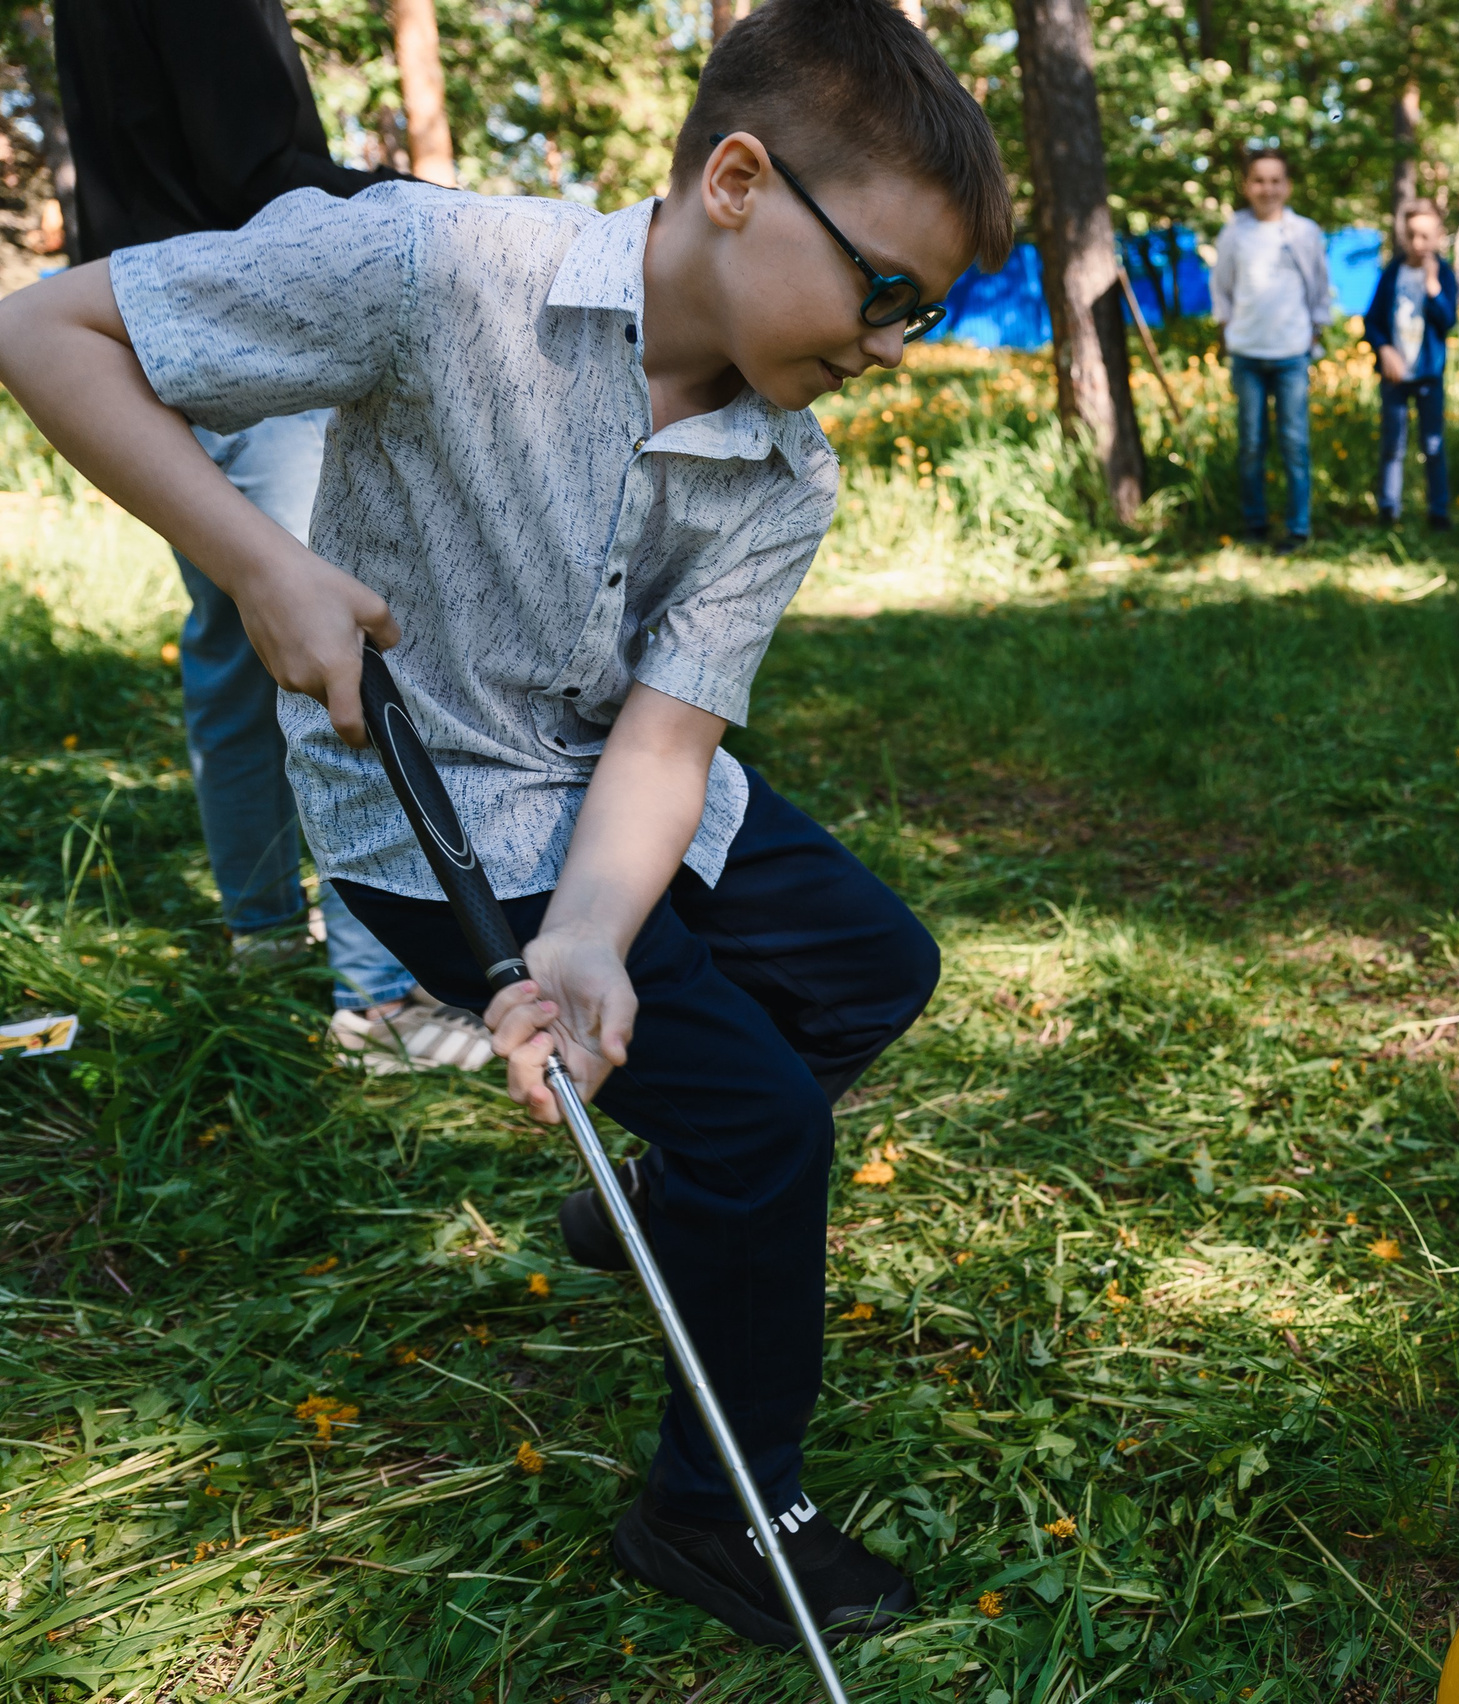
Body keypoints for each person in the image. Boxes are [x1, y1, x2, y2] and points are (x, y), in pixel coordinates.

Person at [0, 0, 1009, 1646]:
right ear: (738, 180)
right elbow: (51, 333)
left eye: (925, 312)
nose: (893, 345)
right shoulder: (431, 265)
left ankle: (681, 1207)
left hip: (609, 790)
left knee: (873, 966)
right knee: (766, 1124)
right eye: (882, 292)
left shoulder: (788, 466)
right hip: (438, 810)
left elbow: (670, 732)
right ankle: (717, 1505)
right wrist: (263, 566)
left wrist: (596, 937)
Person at [50, 0, 490, 1072]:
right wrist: (474, 217)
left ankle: (260, 934)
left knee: (231, 656)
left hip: (151, 347)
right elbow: (266, 176)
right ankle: (380, 999)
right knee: (333, 658)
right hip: (249, 333)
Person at [1212, 149, 1333, 552]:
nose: (1268, 188)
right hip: (1247, 354)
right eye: (1259, 180)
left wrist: (1313, 336)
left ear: (1288, 186)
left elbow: (1319, 288)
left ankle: (1298, 527)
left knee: (1294, 442)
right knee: (1251, 445)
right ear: (1247, 187)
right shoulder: (1234, 233)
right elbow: (1222, 290)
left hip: (1291, 355)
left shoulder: (1305, 232)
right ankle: (1255, 523)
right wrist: (1229, 332)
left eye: (1275, 180)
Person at [1363, 199, 1459, 529]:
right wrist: (1384, 349)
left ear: (1438, 236)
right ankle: (1388, 510)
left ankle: (1439, 511)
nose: (1418, 244)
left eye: (1425, 236)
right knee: (1393, 445)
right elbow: (1372, 321)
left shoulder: (1443, 274)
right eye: (1412, 235)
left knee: (1433, 444)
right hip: (1395, 376)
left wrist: (1433, 288)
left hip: (1428, 375)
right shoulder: (1393, 272)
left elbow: (1448, 321)